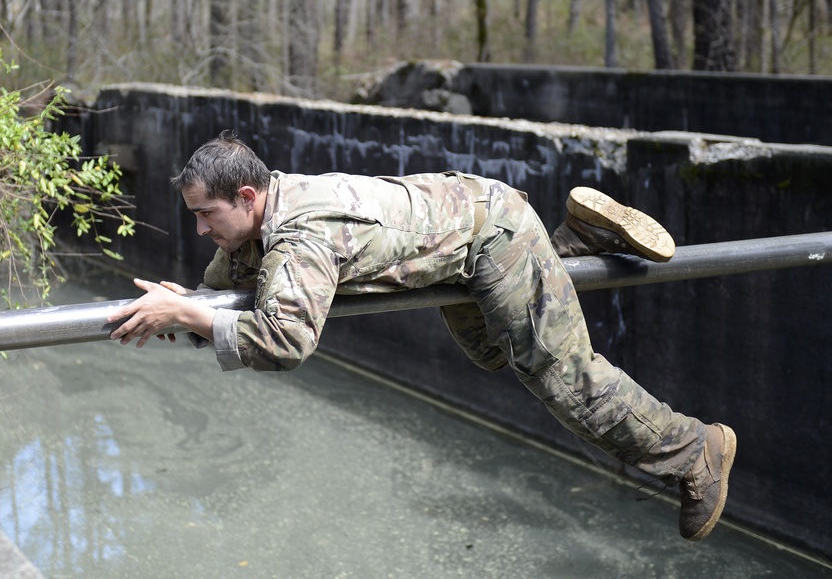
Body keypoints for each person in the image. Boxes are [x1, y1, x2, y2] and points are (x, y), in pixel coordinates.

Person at [108, 130, 736, 541]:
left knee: (558, 376)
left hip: (489, 232)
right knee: (491, 352)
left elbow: (284, 343)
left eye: (205, 216)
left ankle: (695, 453)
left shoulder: (302, 238)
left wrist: (191, 317)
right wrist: (182, 309)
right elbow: (228, 286)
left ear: (246, 195)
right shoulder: (268, 209)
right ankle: (572, 242)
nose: (199, 231)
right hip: (456, 238)